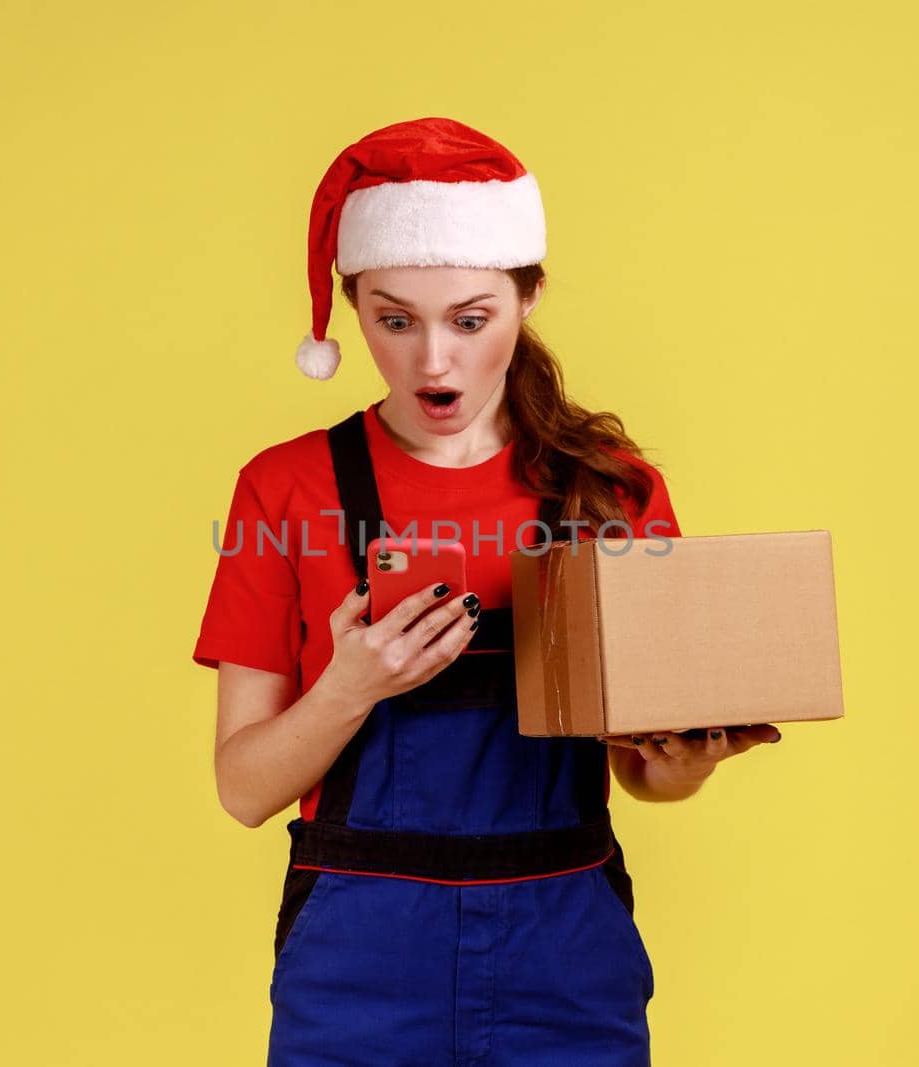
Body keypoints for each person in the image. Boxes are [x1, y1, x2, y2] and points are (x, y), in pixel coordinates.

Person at [192, 116, 780, 1066]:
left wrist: (689, 754)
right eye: (395, 319)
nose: (434, 362)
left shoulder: (611, 490)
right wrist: (351, 686)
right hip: (357, 970)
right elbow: (241, 789)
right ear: (353, 306)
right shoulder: (285, 489)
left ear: (527, 295)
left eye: (470, 320)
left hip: (566, 958)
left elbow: (643, 775)